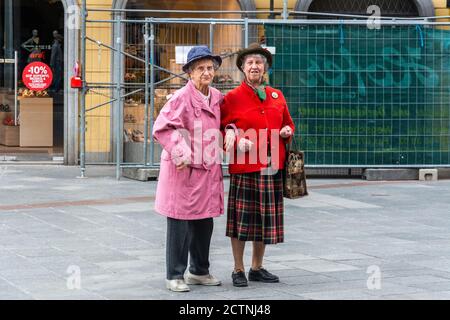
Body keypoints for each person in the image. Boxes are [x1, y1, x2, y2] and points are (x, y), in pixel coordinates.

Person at [221, 43, 295, 287]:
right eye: (250, 62)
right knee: (241, 220)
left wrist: (287, 131)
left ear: (265, 68)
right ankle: (238, 268)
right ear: (242, 67)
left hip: (271, 166)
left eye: (259, 62)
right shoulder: (231, 98)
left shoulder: (277, 95)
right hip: (245, 167)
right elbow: (223, 129)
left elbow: (289, 124)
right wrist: (237, 139)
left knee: (264, 220)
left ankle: (257, 267)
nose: (255, 66)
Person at [152, 46, 224, 292]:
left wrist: (234, 133)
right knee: (180, 224)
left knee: (205, 221)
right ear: (190, 73)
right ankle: (174, 275)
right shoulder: (181, 97)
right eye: (201, 68)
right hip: (183, 171)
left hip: (208, 171)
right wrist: (181, 152)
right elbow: (163, 127)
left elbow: (228, 123)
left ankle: (199, 271)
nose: (207, 72)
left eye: (210, 68)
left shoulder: (216, 97)